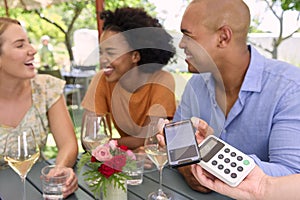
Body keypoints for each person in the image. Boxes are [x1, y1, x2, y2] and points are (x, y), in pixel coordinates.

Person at [169, 0, 300, 194]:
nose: (181, 44)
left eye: (188, 36)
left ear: (223, 37)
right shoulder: (196, 85)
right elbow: (178, 146)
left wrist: (210, 163)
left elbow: (290, 175)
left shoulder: (290, 88)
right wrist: (187, 170)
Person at [0, 17, 78, 198]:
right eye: (20, 45)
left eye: (29, 42)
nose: (33, 50)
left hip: (37, 188)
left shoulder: (46, 87)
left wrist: (61, 169)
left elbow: (68, 144)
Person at [81, 7, 177, 150]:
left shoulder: (162, 80)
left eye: (111, 52)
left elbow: (149, 138)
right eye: (101, 52)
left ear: (135, 56)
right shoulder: (102, 79)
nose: (102, 60)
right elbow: (87, 137)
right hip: (127, 160)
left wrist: (109, 144)